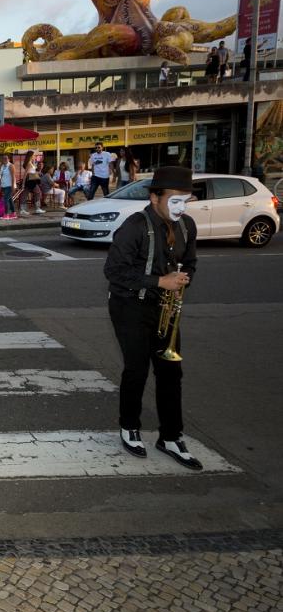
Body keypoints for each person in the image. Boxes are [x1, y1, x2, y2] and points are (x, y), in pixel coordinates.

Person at [104, 166, 201, 471]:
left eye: (185, 200)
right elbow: (114, 272)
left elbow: (191, 262)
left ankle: (171, 436)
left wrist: (183, 279)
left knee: (172, 372)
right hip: (130, 305)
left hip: (165, 307)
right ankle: (129, 426)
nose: (180, 207)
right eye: (174, 200)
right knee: (137, 368)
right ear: (155, 197)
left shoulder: (187, 226)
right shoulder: (134, 227)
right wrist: (160, 282)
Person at [20, 150, 44, 215]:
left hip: (31, 180)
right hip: (30, 181)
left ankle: (23, 209)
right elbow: (25, 174)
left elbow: (32, 172)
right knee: (38, 192)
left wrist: (37, 172)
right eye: (33, 155)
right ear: (31, 156)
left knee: (25, 194)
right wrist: (23, 183)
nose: (34, 156)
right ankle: (37, 208)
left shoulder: (30, 163)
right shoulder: (29, 163)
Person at [0, 153, 16, 220]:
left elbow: (13, 177)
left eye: (6, 158)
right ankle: (13, 213)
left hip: (10, 185)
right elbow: (1, 176)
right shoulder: (2, 166)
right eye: (3, 158)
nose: (4, 159)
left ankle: (6, 214)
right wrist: (0, 185)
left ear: (9, 159)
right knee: (10, 200)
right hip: (4, 186)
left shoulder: (11, 166)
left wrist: (13, 186)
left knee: (5, 200)